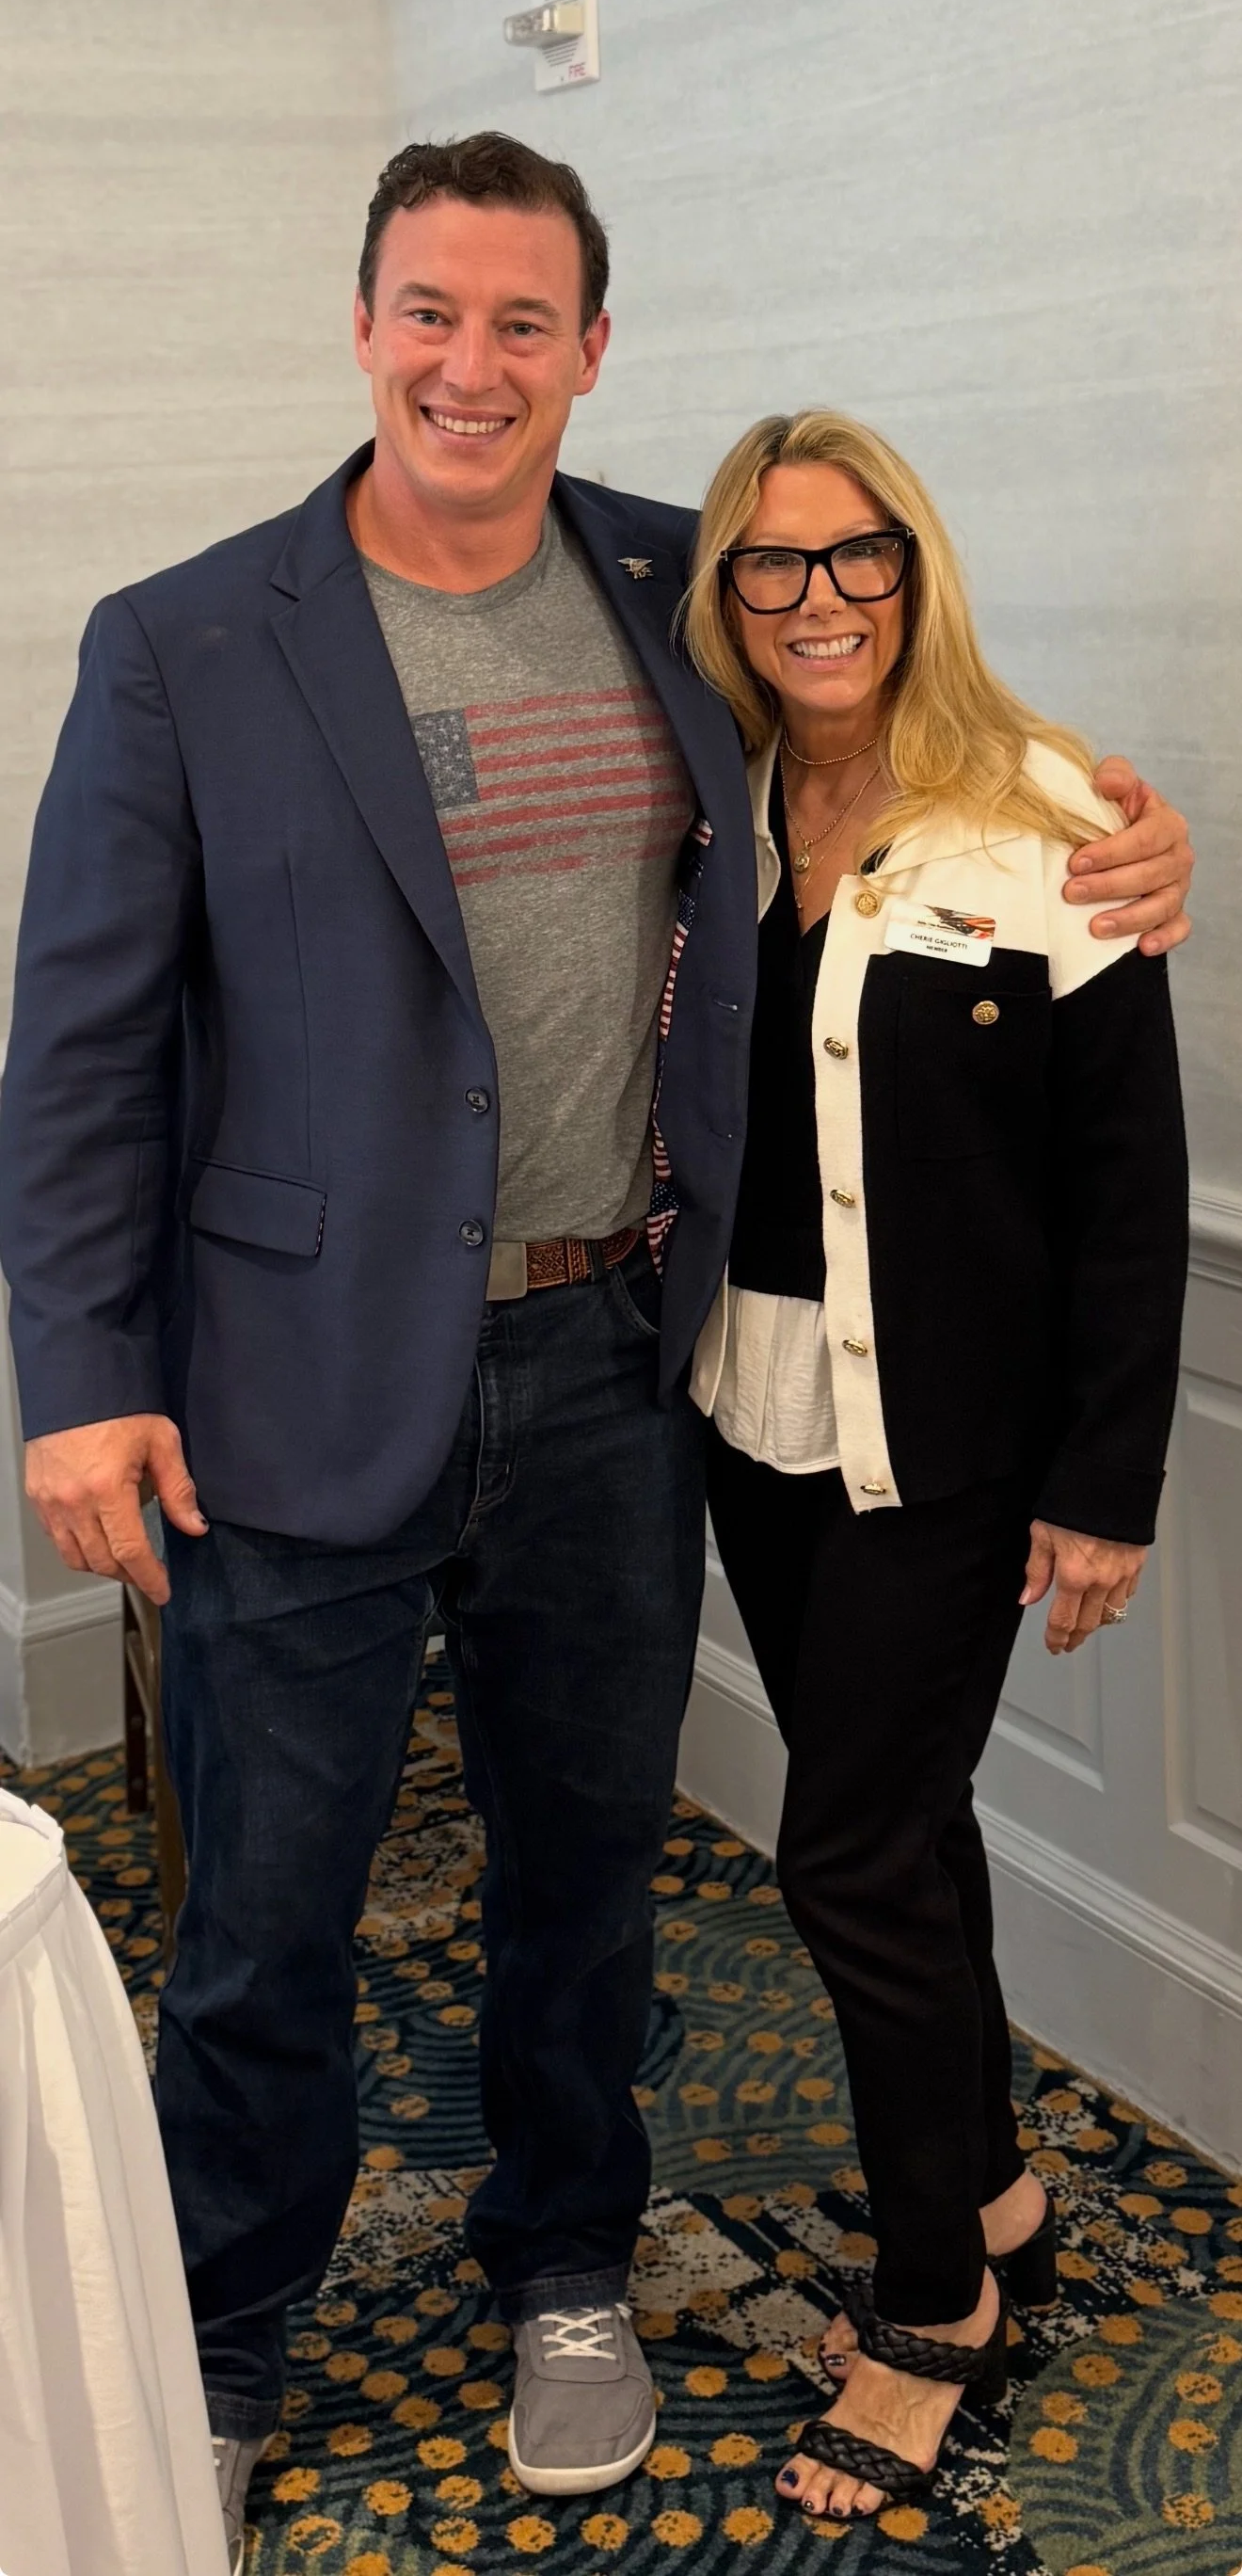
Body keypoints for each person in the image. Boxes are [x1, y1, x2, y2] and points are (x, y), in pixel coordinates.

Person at [0, 137, 1193, 2563]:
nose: (474, 365)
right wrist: (77, 1373)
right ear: (362, 324)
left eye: (525, 324)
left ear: (591, 351)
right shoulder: (189, 639)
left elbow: (899, 689)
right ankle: (230, 2336)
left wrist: (1110, 832)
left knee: (587, 1877)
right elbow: (85, 1045)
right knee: (261, 1919)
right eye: (432, 313)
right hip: (286, 1388)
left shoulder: (680, 580)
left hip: (606, 1366)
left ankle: (568, 2258)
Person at [682, 409, 1189, 2525]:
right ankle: (989, 2189)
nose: (819, 601)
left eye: (856, 557)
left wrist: (1108, 1483)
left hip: (955, 1449)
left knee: (845, 1858)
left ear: (918, 567)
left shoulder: (1052, 820)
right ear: (724, 595)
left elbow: (1125, 1186)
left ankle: (931, 2308)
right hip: (747, 1409)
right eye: (772, 567)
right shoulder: (700, 813)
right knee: (904, 1838)